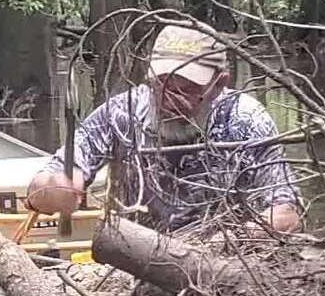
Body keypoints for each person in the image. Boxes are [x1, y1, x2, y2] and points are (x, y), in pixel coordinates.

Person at [26, 26, 303, 234]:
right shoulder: (123, 113)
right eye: (161, 84)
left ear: (219, 84)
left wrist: (233, 241)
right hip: (134, 264)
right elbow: (42, 185)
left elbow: (288, 213)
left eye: (186, 89)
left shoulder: (246, 120)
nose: (169, 99)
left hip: (224, 268)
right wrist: (54, 190)